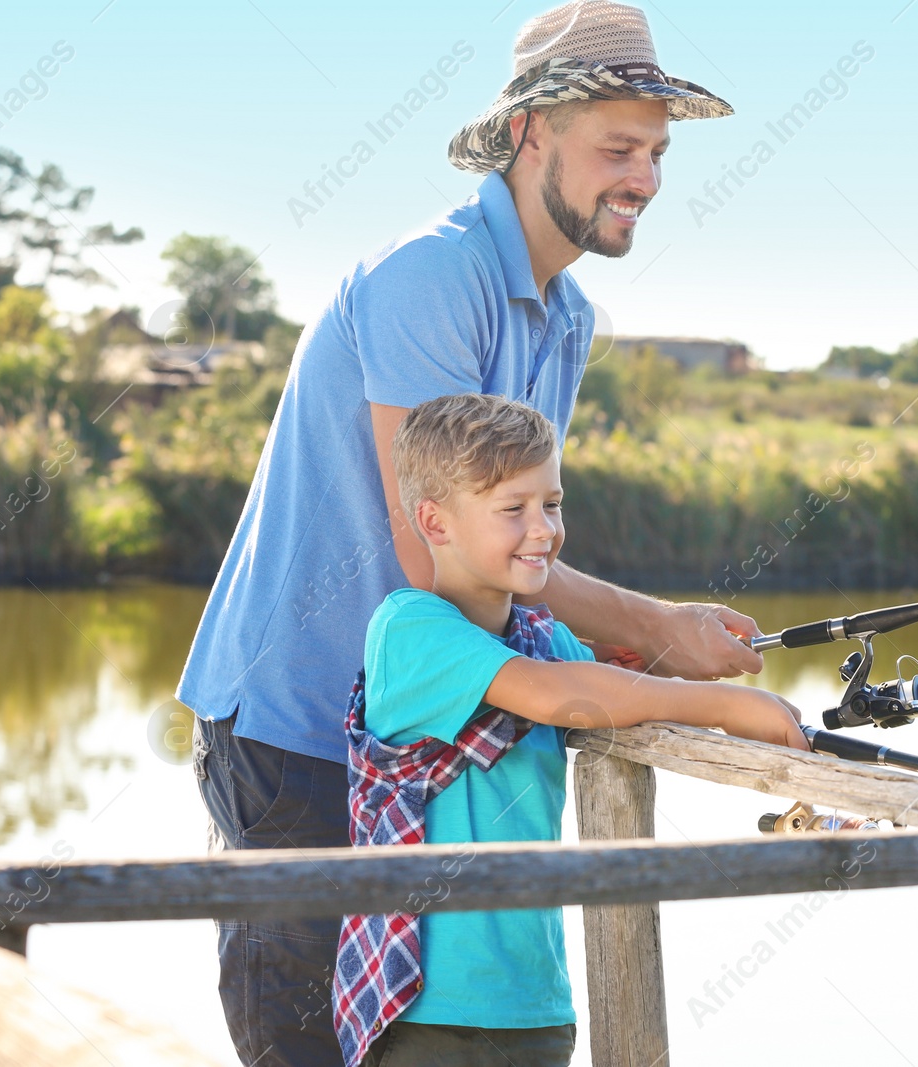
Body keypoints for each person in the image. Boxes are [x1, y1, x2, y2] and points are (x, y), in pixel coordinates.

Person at [177, 3, 747, 1063]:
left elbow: (515, 544)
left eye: (657, 152)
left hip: (417, 739)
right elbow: (437, 549)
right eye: (618, 148)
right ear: (532, 131)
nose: (647, 178)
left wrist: (625, 641)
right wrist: (654, 627)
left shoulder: (566, 317)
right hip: (298, 733)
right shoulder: (429, 277)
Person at [332, 393, 807, 1067]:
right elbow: (560, 695)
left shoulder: (544, 637)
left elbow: (605, 686)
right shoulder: (408, 630)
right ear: (434, 522)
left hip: (535, 1004)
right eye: (512, 509)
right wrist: (729, 706)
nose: (543, 529)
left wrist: (669, 656)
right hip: (427, 1009)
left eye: (551, 503)